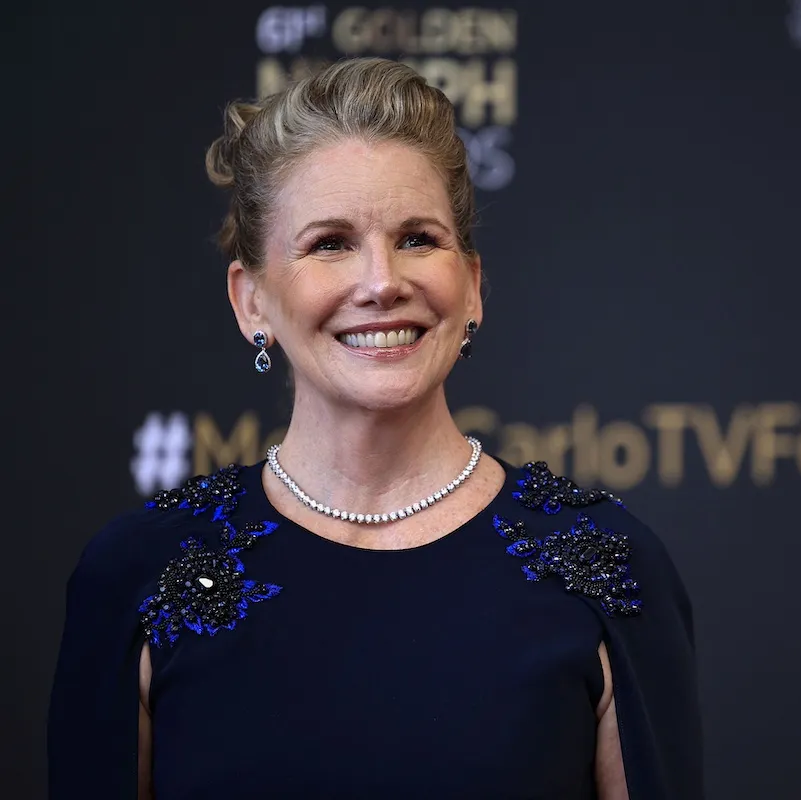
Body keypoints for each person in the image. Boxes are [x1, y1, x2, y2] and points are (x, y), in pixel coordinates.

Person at [47, 57, 704, 799]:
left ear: (474, 285)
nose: (382, 281)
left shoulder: (609, 570)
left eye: (418, 238)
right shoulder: (137, 572)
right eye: (329, 243)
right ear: (251, 300)